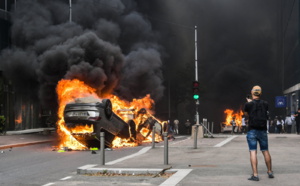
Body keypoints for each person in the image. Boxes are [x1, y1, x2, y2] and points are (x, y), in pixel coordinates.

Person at [244, 85, 274, 181]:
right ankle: (269, 172)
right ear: (260, 93)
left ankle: (255, 175)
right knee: (265, 150)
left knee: (253, 151)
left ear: (252, 93)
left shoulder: (248, 104)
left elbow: (246, 114)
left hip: (252, 130)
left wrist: (249, 103)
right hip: (263, 130)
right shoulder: (265, 103)